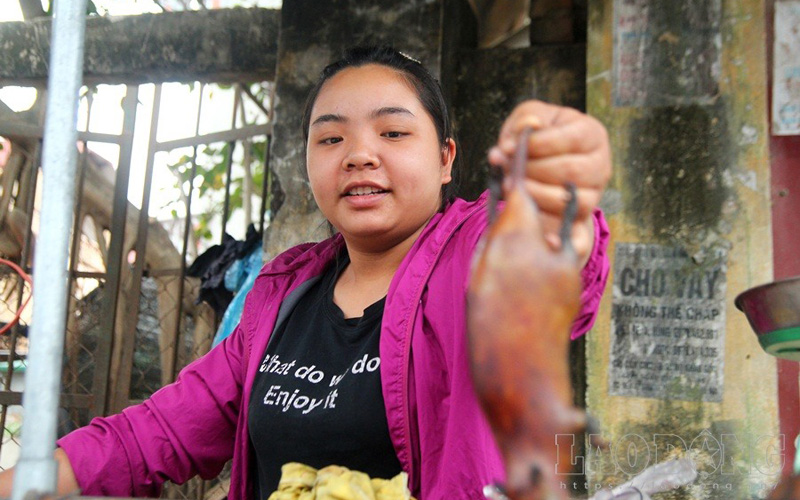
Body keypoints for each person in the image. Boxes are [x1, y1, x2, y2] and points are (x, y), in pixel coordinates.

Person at [0, 45, 611, 500]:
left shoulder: (470, 258)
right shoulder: (281, 295)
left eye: (394, 132)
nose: (360, 154)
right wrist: (28, 478)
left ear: (446, 158)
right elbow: (161, 431)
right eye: (330, 139)